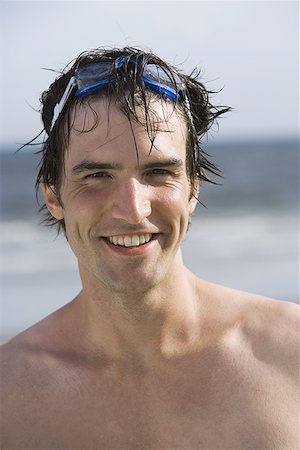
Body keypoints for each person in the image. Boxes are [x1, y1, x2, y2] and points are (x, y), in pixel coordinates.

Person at [1, 46, 299, 450]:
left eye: (159, 171)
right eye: (97, 175)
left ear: (193, 188)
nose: (133, 209)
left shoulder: (289, 351)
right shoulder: (11, 395)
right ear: (53, 196)